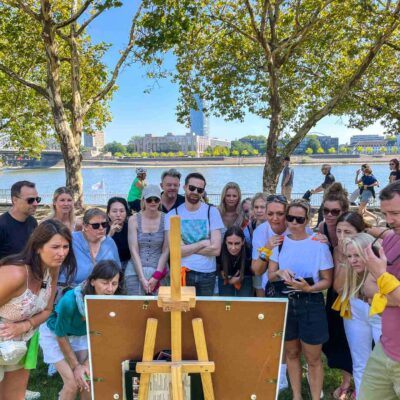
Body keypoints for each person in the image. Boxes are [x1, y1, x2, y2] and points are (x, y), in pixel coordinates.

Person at [0, 220, 76, 400]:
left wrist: (24, 326)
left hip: (19, 345)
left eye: (66, 247)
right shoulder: (16, 274)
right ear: (37, 247)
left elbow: (48, 310)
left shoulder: (52, 269)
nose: (62, 253)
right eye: (55, 247)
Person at [268, 199, 333, 400]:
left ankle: (315, 397)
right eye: (290, 218)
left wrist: (309, 288)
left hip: (311, 302)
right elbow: (270, 275)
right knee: (292, 353)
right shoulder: (279, 242)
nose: (294, 222)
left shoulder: (318, 244)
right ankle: (297, 395)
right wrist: (279, 272)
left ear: (307, 220)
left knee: (313, 358)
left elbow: (327, 280)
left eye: (299, 219)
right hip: (286, 301)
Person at [39, 260, 123, 400]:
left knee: (86, 379)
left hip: (80, 334)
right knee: (72, 384)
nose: (110, 289)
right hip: (55, 334)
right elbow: (61, 335)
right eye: (105, 282)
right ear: (92, 281)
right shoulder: (69, 302)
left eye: (114, 284)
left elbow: (101, 335)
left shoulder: (110, 301)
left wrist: (85, 365)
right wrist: (76, 366)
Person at [359, 181, 400, 399]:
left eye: (395, 213)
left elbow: (375, 282)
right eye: (385, 213)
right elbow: (366, 286)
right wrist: (391, 293)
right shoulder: (392, 239)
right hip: (385, 348)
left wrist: (382, 276)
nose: (389, 220)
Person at [334, 233, 382, 398]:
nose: (353, 260)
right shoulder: (350, 270)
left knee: (388, 362)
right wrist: (342, 261)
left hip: (380, 313)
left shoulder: (382, 271)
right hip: (355, 308)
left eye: (357, 255)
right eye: (350, 256)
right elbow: (338, 289)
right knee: (360, 361)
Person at [318, 183, 353, 400]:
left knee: (354, 338)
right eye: (326, 210)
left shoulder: (351, 228)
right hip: (333, 291)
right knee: (337, 336)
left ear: (344, 212)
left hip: (353, 291)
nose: (330, 215)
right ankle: (346, 380)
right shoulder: (322, 228)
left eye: (335, 212)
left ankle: (352, 384)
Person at [165, 173, 224, 296]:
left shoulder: (212, 212)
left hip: (208, 273)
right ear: (185, 187)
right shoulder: (172, 215)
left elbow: (216, 249)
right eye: (192, 188)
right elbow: (175, 251)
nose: (195, 192)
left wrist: (186, 247)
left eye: (200, 190)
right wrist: (203, 243)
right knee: (184, 313)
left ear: (203, 192)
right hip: (183, 272)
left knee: (205, 312)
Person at [126, 185, 169, 295]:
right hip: (135, 271)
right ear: (143, 200)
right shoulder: (133, 220)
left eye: (156, 199)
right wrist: (141, 278)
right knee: (135, 307)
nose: (153, 202)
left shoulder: (167, 218)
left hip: (159, 270)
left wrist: (156, 276)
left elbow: (166, 250)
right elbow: (133, 250)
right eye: (149, 199)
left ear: (160, 200)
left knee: (159, 308)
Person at [69, 208, 120, 285]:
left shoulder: (110, 242)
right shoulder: (72, 240)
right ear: (85, 226)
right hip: (72, 290)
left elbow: (117, 270)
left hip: (104, 292)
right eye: (96, 225)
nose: (101, 228)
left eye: (104, 224)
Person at [0, 181, 39, 259]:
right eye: (30, 200)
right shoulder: (2, 226)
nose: (35, 204)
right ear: (15, 200)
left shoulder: (33, 222)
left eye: (37, 199)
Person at [217, 226, 253, 297]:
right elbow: (216, 267)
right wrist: (221, 273)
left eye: (237, 243)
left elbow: (252, 270)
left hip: (245, 278)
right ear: (225, 242)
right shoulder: (220, 251)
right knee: (226, 304)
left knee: (243, 305)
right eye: (230, 243)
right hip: (225, 279)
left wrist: (240, 277)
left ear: (243, 241)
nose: (233, 248)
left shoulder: (248, 251)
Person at [243, 193, 267, 297]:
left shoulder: (274, 225)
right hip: (258, 262)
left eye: (262, 207)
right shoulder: (252, 224)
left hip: (272, 265)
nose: (259, 210)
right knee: (260, 294)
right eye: (256, 207)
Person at [107, 197, 132, 274]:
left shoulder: (131, 227)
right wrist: (110, 234)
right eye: (114, 211)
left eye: (122, 211)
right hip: (108, 265)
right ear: (108, 213)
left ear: (126, 212)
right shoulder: (101, 227)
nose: (118, 214)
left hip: (129, 265)